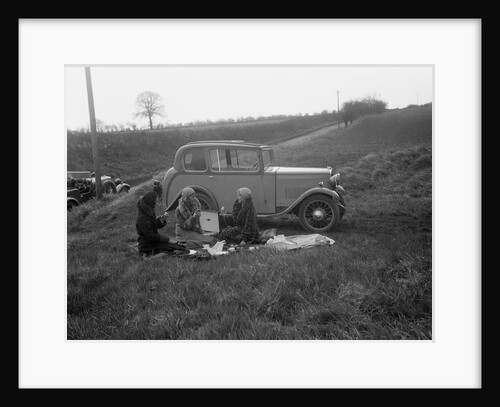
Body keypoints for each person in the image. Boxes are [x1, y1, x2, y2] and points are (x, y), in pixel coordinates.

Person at [135, 190, 183, 258]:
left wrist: (161, 220)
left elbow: (152, 225)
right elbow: (151, 236)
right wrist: (167, 239)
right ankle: (149, 259)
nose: (157, 202)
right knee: (171, 249)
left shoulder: (148, 210)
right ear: (152, 202)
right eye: (156, 201)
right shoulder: (142, 218)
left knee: (177, 245)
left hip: (152, 241)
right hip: (147, 245)